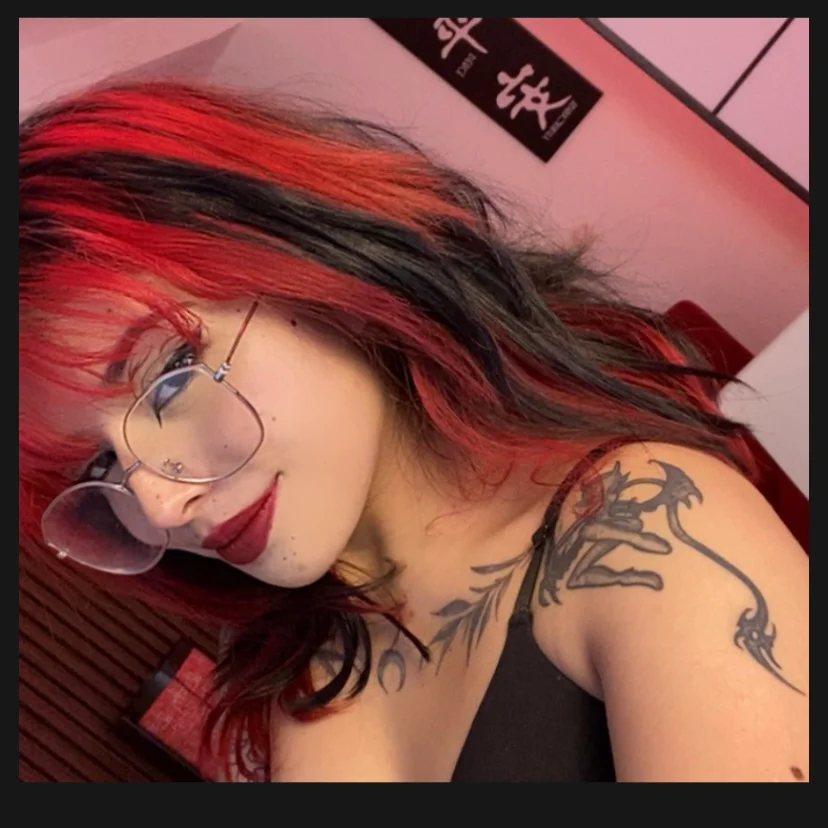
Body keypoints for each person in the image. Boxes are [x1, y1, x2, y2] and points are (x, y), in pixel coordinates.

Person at [18, 80, 808, 783]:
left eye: (168, 377)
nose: (158, 505)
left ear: (311, 257)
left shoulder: (642, 530)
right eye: (102, 464)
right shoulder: (285, 663)